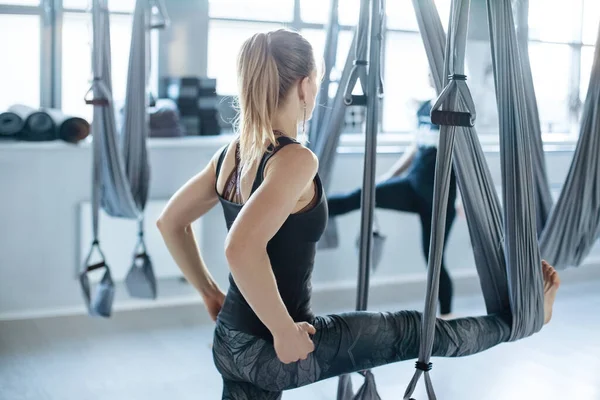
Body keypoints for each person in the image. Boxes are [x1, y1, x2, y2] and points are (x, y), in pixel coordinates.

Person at [157, 29, 560, 400]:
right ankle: (522, 321)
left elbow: (170, 222)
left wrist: (209, 292)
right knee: (419, 332)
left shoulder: (231, 156)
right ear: (305, 85)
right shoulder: (294, 160)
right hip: (274, 351)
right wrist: (283, 330)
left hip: (230, 342)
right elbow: (240, 248)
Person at [327, 90, 458, 318]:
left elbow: (466, 159)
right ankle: (310, 208)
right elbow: (415, 148)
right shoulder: (424, 108)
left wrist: (465, 202)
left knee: (434, 260)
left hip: (441, 199)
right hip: (413, 186)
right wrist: (387, 177)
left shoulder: (457, 110)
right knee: (363, 194)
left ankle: (447, 317)